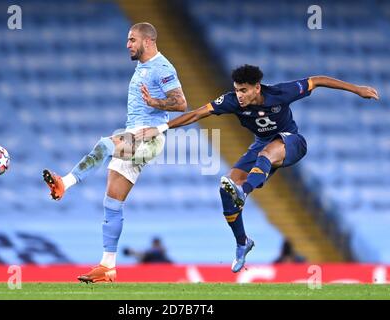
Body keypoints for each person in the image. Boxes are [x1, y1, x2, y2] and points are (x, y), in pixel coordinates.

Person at [136, 64, 379, 273]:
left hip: (292, 142)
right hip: (261, 145)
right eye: (237, 89)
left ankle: (245, 190)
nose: (239, 95)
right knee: (226, 186)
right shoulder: (231, 101)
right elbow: (198, 114)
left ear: (257, 88)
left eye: (244, 90)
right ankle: (242, 242)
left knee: (264, 156)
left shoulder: (281, 93)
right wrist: (161, 128)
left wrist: (357, 89)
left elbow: (317, 80)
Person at [42, 22, 187, 283]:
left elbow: (181, 103)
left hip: (149, 136)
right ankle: (108, 267)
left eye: (132, 40)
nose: (127, 44)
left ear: (148, 41)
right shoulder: (143, 67)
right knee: (112, 203)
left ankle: (66, 182)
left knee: (105, 145)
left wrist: (156, 103)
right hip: (136, 134)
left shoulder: (162, 67)